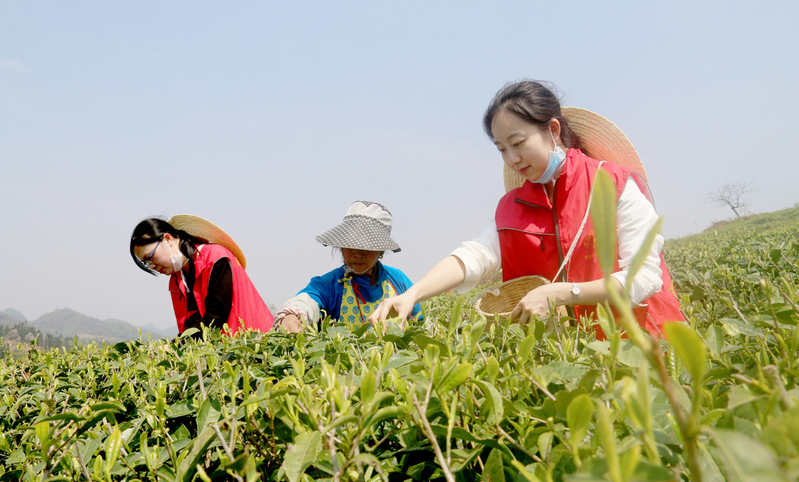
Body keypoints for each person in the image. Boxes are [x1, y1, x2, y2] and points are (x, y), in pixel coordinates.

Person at [370, 80, 684, 339]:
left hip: (641, 344)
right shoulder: (512, 207)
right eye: (502, 149)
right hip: (569, 359)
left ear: (553, 131)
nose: (512, 159)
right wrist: (413, 294)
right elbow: (475, 256)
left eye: (518, 143)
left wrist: (562, 293)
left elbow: (643, 278)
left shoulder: (614, 185)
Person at [274, 201, 423, 332]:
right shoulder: (330, 285)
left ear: (381, 250)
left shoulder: (399, 281)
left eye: (367, 246)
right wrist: (291, 317)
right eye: (350, 245)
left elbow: (418, 326)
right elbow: (307, 300)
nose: (357, 253)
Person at [130, 215, 274, 336]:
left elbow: (215, 319)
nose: (152, 266)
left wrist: (176, 345)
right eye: (146, 263)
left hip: (256, 343)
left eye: (150, 257)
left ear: (167, 239)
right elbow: (188, 327)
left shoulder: (215, 257)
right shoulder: (176, 281)